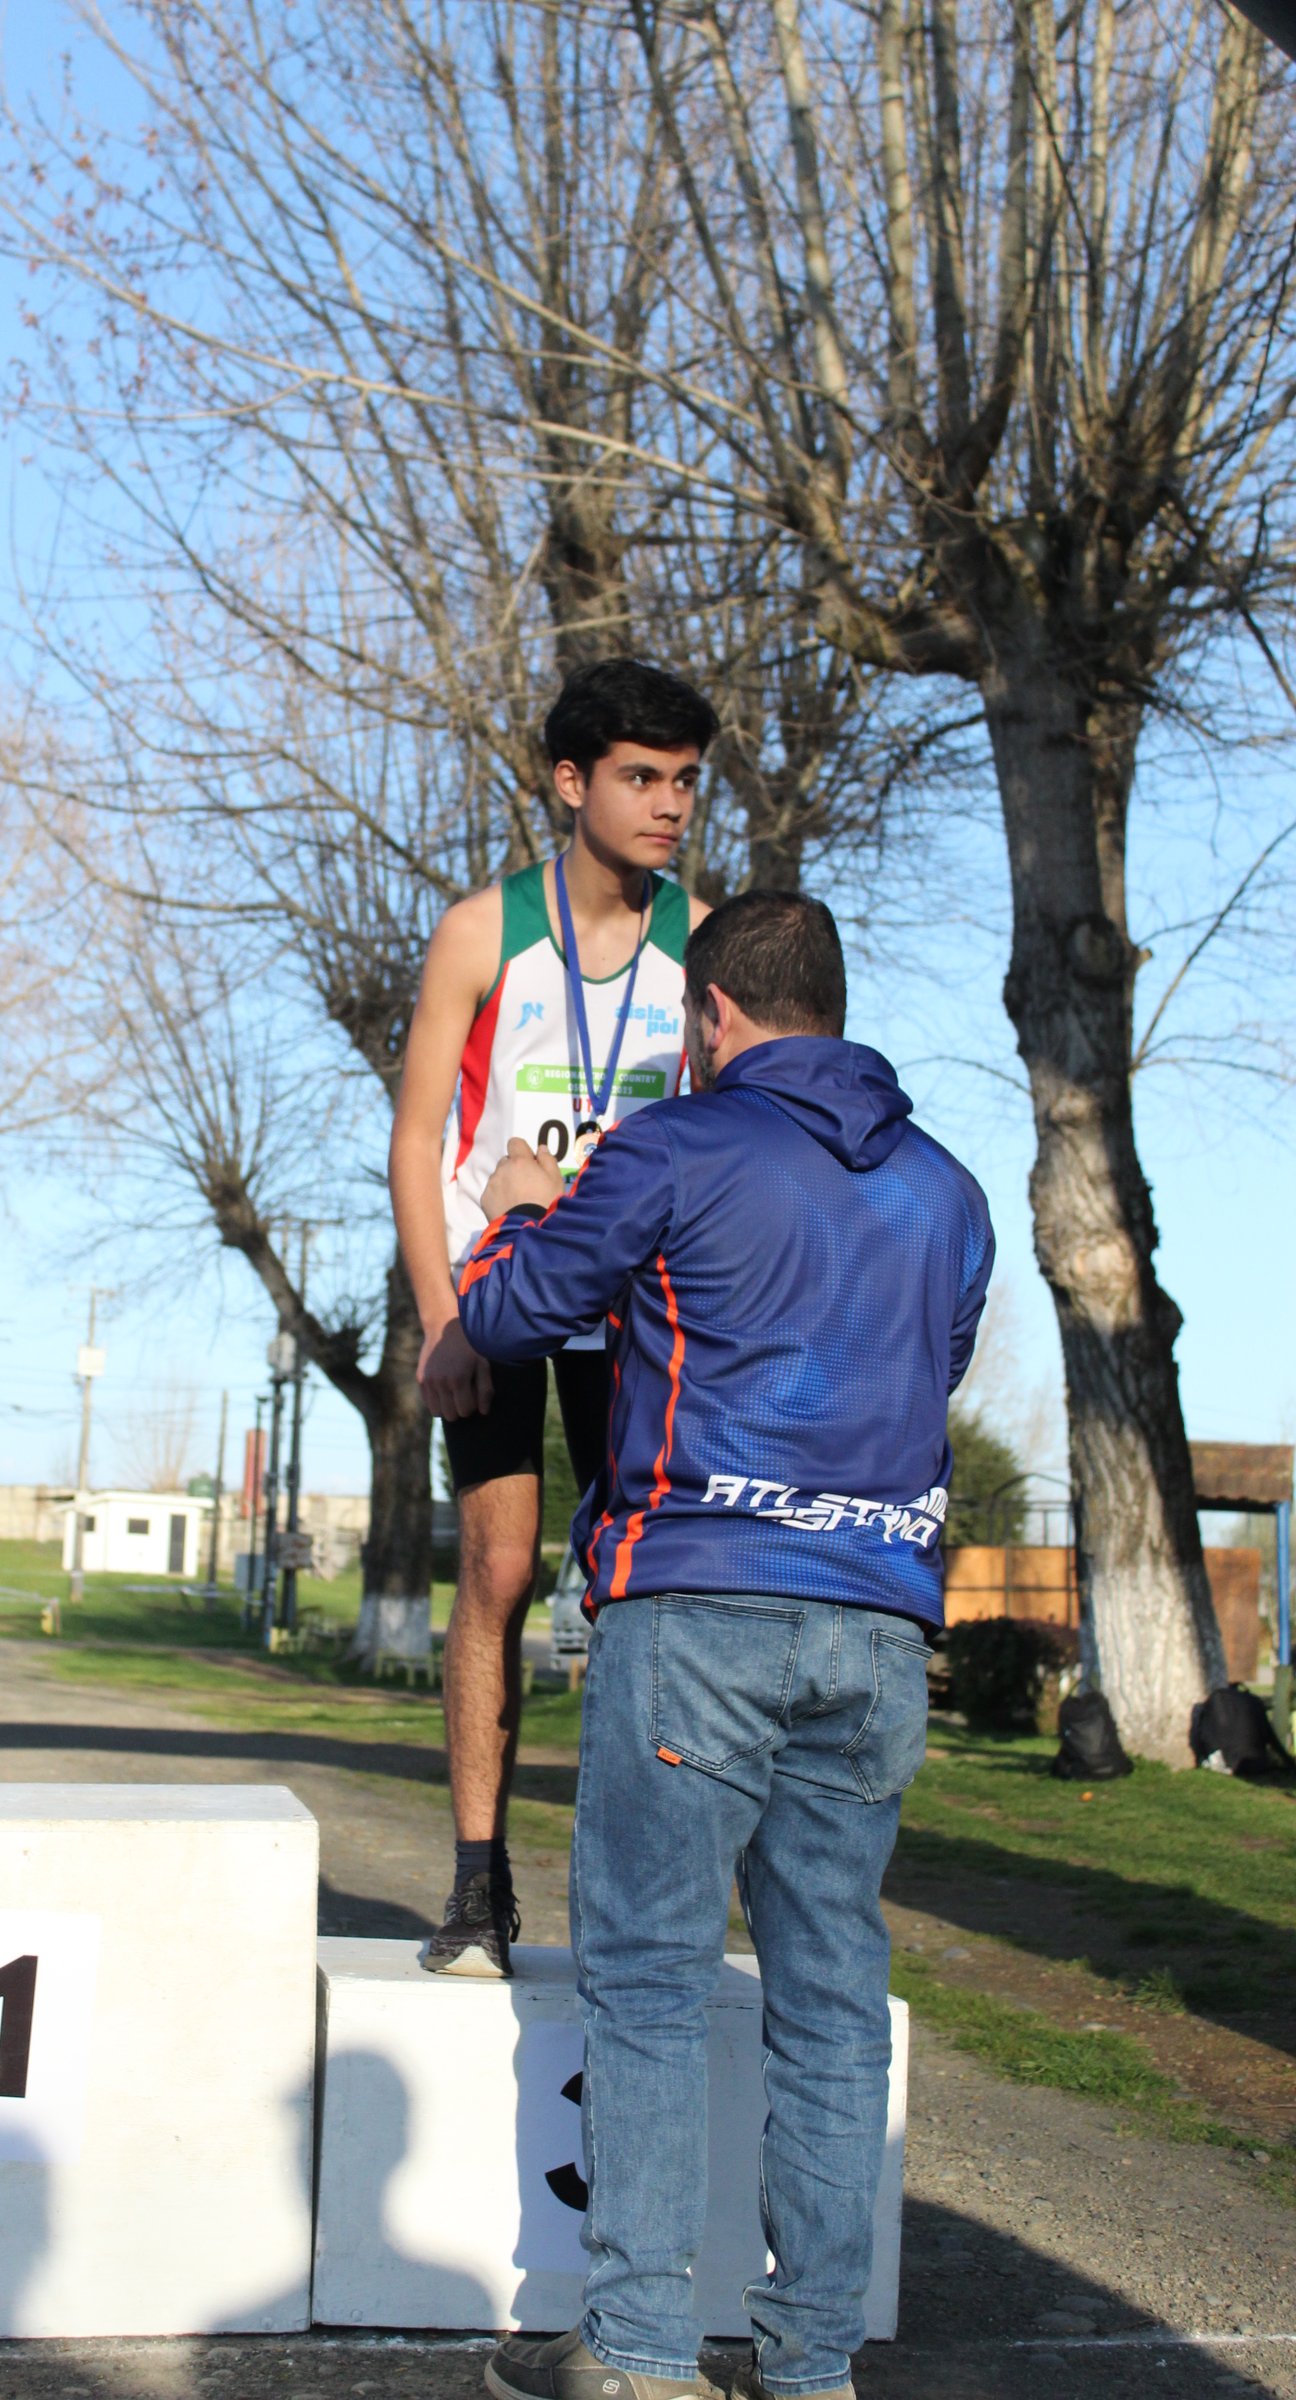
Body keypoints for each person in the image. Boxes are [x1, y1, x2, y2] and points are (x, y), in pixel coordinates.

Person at [458, 891, 994, 2400]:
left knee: (649, 1980)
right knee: (829, 1994)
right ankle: (810, 2365)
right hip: (878, 1626)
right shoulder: (952, 1194)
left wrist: (515, 1203)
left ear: (713, 1017)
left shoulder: (676, 1146)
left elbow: (517, 1315)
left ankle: (634, 2350)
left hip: (698, 1605)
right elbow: (930, 1368)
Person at [389, 658, 717, 1977]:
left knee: (636, 1596)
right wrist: (440, 1317)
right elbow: (417, 1141)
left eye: (687, 781)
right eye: (642, 777)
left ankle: (636, 1895)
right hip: (496, 1296)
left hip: (634, 1315)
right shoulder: (482, 934)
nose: (670, 806)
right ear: (572, 782)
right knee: (499, 1571)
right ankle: (478, 1886)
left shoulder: (704, 941)